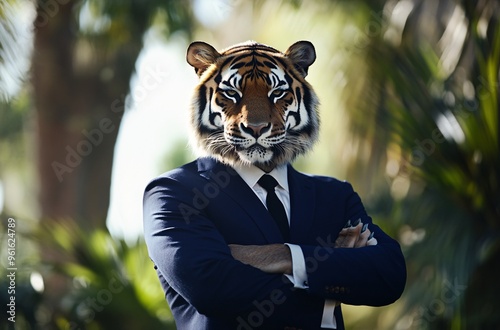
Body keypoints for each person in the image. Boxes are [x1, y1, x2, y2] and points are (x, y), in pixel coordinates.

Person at [143, 40, 406, 330]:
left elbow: (389, 273)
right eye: (231, 95)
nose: (255, 120)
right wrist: (331, 281)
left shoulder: (334, 196)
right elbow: (212, 286)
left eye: (279, 95)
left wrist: (281, 256)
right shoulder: (174, 193)